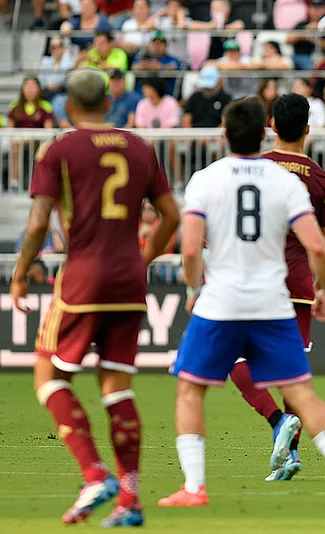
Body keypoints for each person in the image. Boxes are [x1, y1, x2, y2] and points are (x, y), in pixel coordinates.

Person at [158, 97, 325, 507]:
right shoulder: (290, 182)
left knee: (190, 391)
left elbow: (188, 250)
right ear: (263, 132)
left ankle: (194, 487)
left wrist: (191, 290)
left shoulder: (205, 178)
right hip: (275, 299)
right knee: (302, 391)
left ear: (225, 133)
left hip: (220, 301)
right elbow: (321, 248)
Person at [10, 68, 179, 527]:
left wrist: (20, 273)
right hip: (129, 282)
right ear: (108, 102)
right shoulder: (141, 147)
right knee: (117, 388)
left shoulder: (59, 149)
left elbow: (39, 222)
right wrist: (143, 258)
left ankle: (93, 474)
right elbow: (170, 215)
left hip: (83, 277)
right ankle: (130, 500)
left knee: (47, 373)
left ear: (68, 106)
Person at [224, 93, 325, 482]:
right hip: (299, 284)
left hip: (251, 277)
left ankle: (277, 422)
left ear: (271, 125)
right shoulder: (321, 179)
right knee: (291, 373)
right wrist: (324, 284)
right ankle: (288, 455)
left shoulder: (253, 168)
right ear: (308, 128)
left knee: (231, 358)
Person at [7, 77, 54, 191]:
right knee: (15, 146)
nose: (30, 89)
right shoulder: (15, 105)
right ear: (22, 89)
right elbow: (9, 130)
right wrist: (20, 138)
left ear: (39, 89)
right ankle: (14, 181)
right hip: (18, 141)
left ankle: (40, 182)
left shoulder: (45, 106)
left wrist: (30, 138)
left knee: (44, 148)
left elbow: (48, 130)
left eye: (33, 86)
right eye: (27, 86)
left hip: (39, 140)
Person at [131, 31, 183, 96]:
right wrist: (144, 66)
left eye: (160, 43)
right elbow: (134, 68)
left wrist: (160, 67)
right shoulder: (142, 57)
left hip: (164, 98)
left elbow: (173, 67)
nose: (157, 46)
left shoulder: (172, 59)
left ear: (166, 46)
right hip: (141, 98)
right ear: (149, 45)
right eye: (154, 43)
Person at [285, 0, 325, 70]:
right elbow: (288, 40)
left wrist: (313, 38)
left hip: (322, 57)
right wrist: (306, 31)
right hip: (301, 57)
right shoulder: (302, 24)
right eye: (313, 7)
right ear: (309, 9)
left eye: (319, 8)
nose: (316, 11)